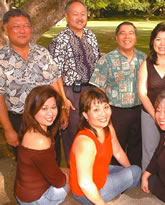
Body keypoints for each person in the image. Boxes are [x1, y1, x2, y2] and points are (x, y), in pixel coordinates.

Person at [0, 9, 67, 159]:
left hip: (49, 118)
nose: (22, 31)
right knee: (27, 164)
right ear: (5, 28)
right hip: (20, 121)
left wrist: (62, 108)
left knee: (53, 159)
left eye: (26, 25)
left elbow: (54, 80)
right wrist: (8, 129)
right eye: (16, 26)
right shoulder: (1, 59)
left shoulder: (42, 53)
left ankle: (55, 183)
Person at [49, 0, 100, 166]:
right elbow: (54, 74)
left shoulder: (91, 35)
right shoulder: (59, 41)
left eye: (83, 14)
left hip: (91, 92)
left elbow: (98, 64)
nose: (80, 18)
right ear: (66, 16)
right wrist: (63, 101)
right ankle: (75, 176)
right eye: (75, 14)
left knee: (92, 133)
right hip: (70, 93)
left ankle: (90, 172)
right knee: (73, 135)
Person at [69, 88, 141, 205]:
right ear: (85, 115)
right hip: (87, 193)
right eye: (96, 109)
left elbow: (117, 152)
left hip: (102, 174)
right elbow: (85, 183)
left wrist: (129, 171)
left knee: (133, 171)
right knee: (137, 171)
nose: (103, 114)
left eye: (106, 107)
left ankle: (128, 190)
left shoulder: (108, 128)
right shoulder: (85, 142)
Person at [89, 21, 146, 167]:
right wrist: (104, 114)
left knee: (137, 148)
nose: (127, 37)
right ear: (116, 37)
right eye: (122, 33)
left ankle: (134, 179)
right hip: (116, 112)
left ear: (136, 37)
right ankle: (116, 180)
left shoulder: (144, 59)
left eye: (131, 33)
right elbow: (98, 90)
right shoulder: (106, 60)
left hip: (139, 111)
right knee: (114, 148)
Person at [15, 85, 69, 205]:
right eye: (44, 108)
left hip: (24, 192)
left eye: (54, 107)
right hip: (36, 199)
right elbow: (58, 181)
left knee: (67, 171)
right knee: (71, 179)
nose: (50, 113)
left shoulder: (30, 128)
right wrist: (68, 178)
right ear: (33, 109)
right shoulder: (40, 140)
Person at [138, 22, 165, 170]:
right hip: (150, 113)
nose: (162, 44)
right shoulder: (146, 64)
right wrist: (155, 115)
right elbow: (142, 93)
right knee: (149, 149)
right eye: (158, 39)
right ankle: (147, 182)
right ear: (152, 42)